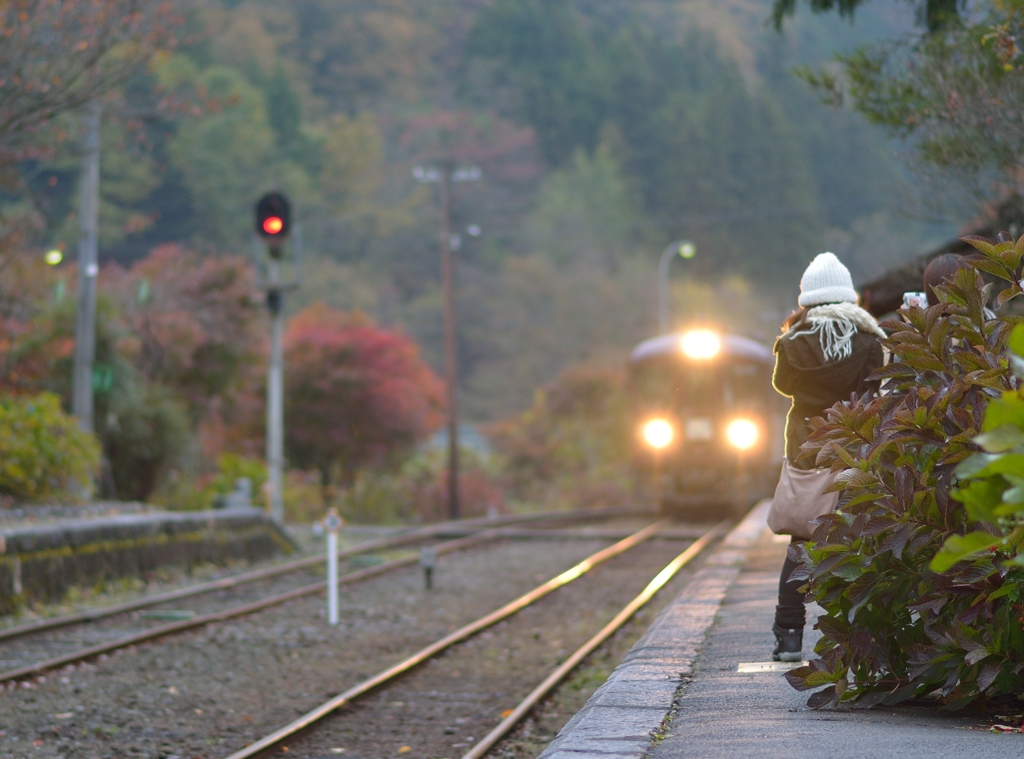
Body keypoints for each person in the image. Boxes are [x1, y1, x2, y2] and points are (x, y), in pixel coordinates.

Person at [770, 252, 886, 661]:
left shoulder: (792, 342)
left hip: (807, 448)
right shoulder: (868, 339)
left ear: (808, 297)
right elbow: (876, 387)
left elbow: (783, 386)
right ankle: (857, 638)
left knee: (802, 542)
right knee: (859, 540)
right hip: (854, 447)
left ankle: (788, 636)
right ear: (846, 294)